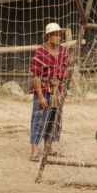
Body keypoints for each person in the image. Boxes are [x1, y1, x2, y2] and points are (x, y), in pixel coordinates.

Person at [29, 22, 70, 161]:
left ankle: (49, 147)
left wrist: (59, 91)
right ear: (48, 36)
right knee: (38, 117)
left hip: (57, 89)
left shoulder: (63, 51)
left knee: (53, 118)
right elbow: (36, 76)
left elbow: (64, 72)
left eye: (59, 34)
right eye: (54, 34)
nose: (57, 37)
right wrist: (41, 96)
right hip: (43, 89)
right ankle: (34, 150)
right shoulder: (40, 53)